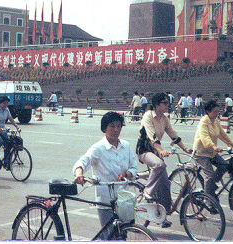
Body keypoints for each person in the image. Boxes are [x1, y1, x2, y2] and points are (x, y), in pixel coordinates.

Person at [73, 111, 137, 239]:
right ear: (104, 128)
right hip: (105, 200)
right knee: (108, 235)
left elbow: (134, 167)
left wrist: (127, 173)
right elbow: (83, 162)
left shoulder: (126, 146)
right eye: (112, 126)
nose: (116, 129)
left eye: (119, 126)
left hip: (123, 199)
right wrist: (79, 174)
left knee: (122, 234)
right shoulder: (98, 148)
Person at [137, 92, 192, 227]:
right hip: (144, 150)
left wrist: (185, 149)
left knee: (165, 185)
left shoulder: (165, 118)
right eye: (165, 103)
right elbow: (152, 136)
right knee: (160, 165)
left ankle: (163, 216)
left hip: (156, 151)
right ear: (156, 105)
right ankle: (147, 191)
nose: (168, 105)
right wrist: (161, 150)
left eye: (168, 103)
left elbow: (172, 134)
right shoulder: (148, 116)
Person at [193, 100, 233, 197]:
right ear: (208, 111)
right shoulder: (203, 122)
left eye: (217, 111)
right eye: (214, 112)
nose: (217, 114)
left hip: (211, 152)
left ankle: (210, 186)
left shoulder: (215, 121)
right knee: (210, 176)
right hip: (201, 153)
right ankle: (208, 200)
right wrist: (214, 146)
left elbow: (222, 134)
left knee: (223, 165)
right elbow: (204, 137)